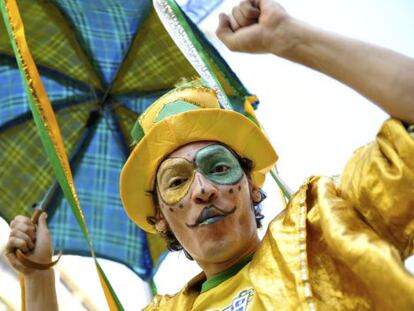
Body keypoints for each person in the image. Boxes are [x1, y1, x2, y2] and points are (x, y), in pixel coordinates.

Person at [5, 0, 414, 310]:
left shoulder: (322, 227)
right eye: (177, 181)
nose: (202, 189)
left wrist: (291, 39)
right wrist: (38, 275)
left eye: (218, 168)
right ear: (160, 219)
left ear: (252, 189)